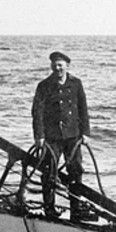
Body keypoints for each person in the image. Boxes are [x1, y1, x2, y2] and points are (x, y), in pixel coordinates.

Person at [31, 51, 91, 220]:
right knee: (49, 173)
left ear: (67, 66)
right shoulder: (44, 86)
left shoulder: (76, 84)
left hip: (73, 136)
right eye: (54, 65)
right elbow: (37, 112)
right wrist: (39, 136)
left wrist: (85, 133)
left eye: (60, 65)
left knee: (76, 171)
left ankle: (76, 209)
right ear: (51, 66)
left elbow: (83, 109)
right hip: (52, 138)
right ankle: (49, 210)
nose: (57, 68)